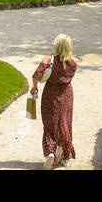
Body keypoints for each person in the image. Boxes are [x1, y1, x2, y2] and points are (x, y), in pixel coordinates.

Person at [31, 33, 77, 169]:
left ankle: (50, 152)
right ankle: (66, 157)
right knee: (65, 124)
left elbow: (36, 75)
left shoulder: (48, 59)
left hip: (50, 95)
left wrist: (34, 88)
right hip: (67, 95)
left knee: (50, 124)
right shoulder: (73, 63)